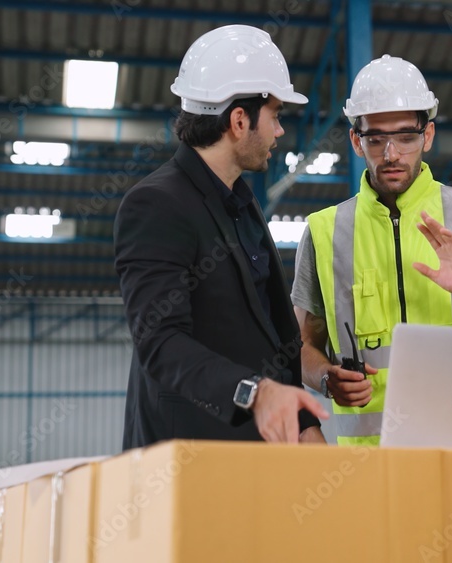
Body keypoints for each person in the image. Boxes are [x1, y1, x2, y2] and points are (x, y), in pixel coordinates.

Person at [291, 55, 452, 446]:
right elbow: (300, 346)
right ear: (357, 140)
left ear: (427, 135)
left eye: (406, 137)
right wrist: (327, 378)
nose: (391, 154)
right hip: (366, 469)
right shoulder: (324, 231)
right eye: (376, 139)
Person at [115, 25, 328, 449]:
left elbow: (274, 332)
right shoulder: (156, 205)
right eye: (276, 115)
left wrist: (305, 424)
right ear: (238, 120)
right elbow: (160, 343)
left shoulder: (242, 204)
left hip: (254, 464)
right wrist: (257, 393)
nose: (279, 131)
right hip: (184, 466)